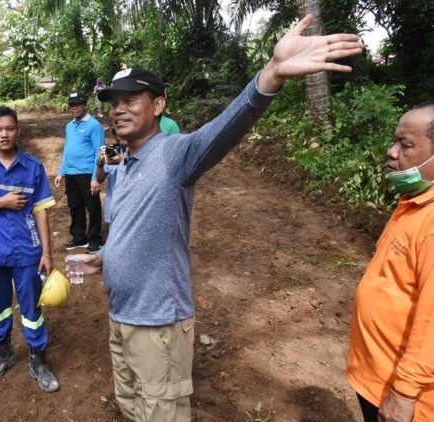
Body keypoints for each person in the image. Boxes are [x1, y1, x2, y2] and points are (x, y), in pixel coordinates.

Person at [70, 15, 363, 422]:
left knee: (161, 414)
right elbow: (130, 229)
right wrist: (103, 258)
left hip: (158, 325)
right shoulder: (127, 165)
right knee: (132, 407)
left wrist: (272, 74)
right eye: (114, 103)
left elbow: (225, 129)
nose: (118, 111)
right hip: (122, 317)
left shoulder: (175, 154)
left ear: (158, 105)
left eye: (130, 100)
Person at [0, 106, 60, 393]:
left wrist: (47, 253)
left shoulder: (33, 167)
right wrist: (2, 202)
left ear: (18, 130)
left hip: (28, 252)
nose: (4, 134)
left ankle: (38, 361)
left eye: (9, 128)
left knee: (32, 308)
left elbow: (42, 211)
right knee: (0, 308)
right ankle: (2, 355)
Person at [347, 104, 434, 422]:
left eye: (405, 144)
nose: (391, 151)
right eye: (394, 141)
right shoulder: (414, 203)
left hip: (407, 398)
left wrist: (405, 392)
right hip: (378, 378)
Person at [54, 91, 105, 253]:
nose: (74, 108)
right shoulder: (69, 126)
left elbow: (100, 151)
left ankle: (95, 239)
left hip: (87, 173)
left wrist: (95, 178)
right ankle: (79, 238)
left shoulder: (94, 125)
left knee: (93, 206)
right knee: (75, 206)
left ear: (85, 105)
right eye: (71, 105)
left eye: (77, 105)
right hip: (71, 174)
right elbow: (67, 150)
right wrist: (61, 172)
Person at [95, 129, 127, 225]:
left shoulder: (139, 149)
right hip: (114, 204)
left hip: (131, 206)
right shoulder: (112, 152)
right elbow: (100, 179)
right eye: (114, 132)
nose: (117, 136)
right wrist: (100, 163)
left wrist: (122, 161)